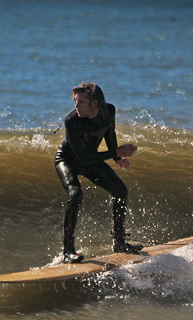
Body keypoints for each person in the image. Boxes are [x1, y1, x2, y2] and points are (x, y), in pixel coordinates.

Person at [55, 82, 143, 264]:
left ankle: (119, 243)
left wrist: (117, 158)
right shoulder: (71, 121)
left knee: (121, 191)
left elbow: (110, 133)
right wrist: (116, 153)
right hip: (69, 160)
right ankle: (68, 252)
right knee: (75, 194)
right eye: (75, 102)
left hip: (91, 159)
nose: (76, 106)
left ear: (95, 103)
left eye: (81, 102)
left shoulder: (108, 111)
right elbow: (83, 158)